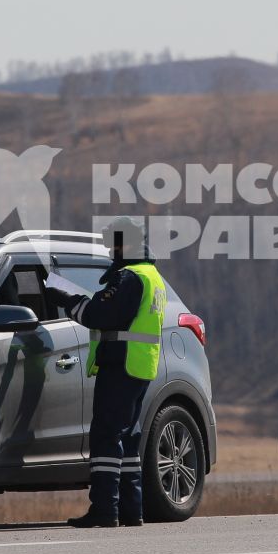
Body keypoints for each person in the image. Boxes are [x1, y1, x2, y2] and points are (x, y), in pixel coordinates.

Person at [51, 215, 167, 528]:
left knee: (106, 435)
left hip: (122, 363)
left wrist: (67, 299)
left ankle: (105, 510)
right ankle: (132, 510)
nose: (110, 251)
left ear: (125, 243)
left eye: (113, 243)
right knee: (128, 439)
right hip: (139, 365)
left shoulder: (130, 278)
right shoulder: (152, 276)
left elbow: (101, 314)